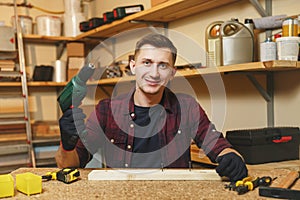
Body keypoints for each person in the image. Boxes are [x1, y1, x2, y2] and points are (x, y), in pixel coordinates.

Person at [55, 33, 248, 182]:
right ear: (133, 66)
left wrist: (232, 158)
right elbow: (70, 164)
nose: (154, 73)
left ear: (172, 73)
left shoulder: (187, 107)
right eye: (146, 63)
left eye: (162, 65)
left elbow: (218, 146)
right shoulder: (106, 110)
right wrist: (67, 144)